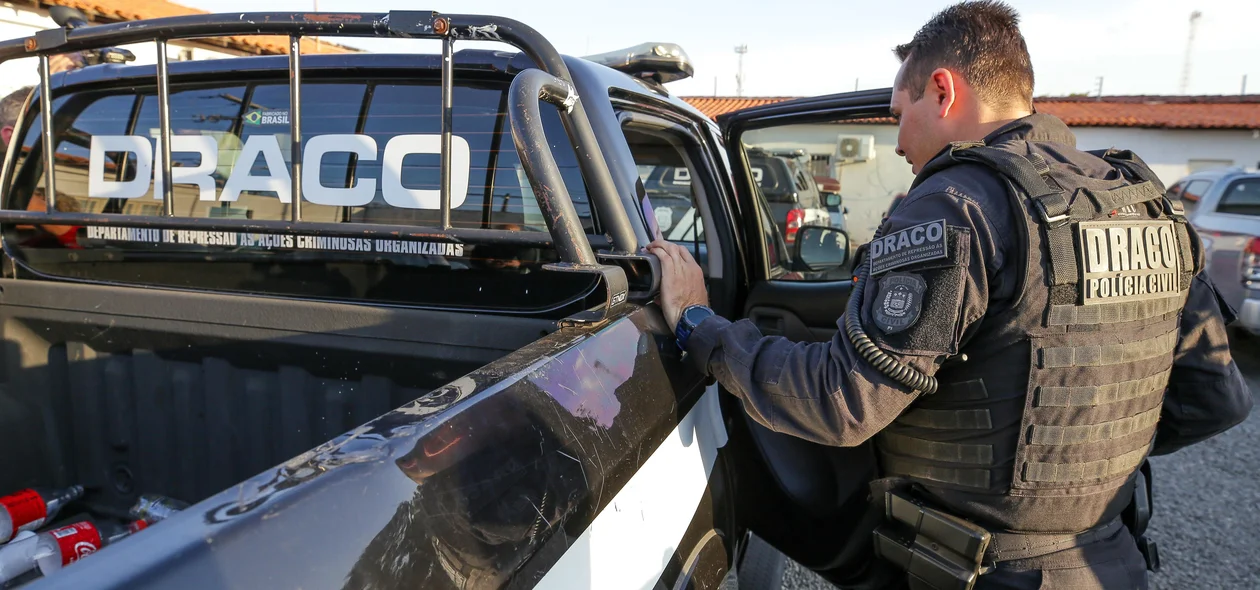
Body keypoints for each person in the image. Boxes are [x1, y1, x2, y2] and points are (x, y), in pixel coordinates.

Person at [648, 1, 1252, 588]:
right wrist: (1085, 467)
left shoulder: (955, 204)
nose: (900, 143)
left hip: (983, 567)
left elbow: (842, 399)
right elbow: (1215, 399)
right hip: (1112, 557)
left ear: (943, 90)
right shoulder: (1144, 202)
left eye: (898, 113)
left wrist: (699, 323)